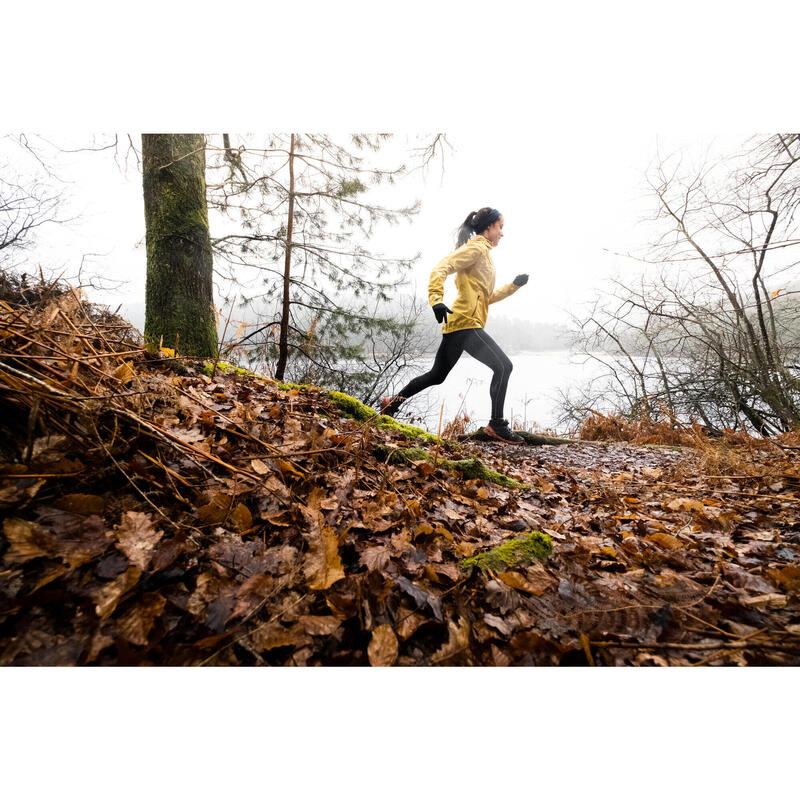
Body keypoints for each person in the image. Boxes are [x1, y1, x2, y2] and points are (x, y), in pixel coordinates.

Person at [380, 207, 528, 444]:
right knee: (503, 366)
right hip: (465, 324)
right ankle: (497, 425)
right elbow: (442, 268)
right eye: (501, 227)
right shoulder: (477, 248)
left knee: (437, 375)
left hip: (460, 324)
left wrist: (513, 286)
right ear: (489, 227)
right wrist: (436, 300)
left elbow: (486, 296)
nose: (502, 233)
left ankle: (392, 402)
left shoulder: (484, 254)